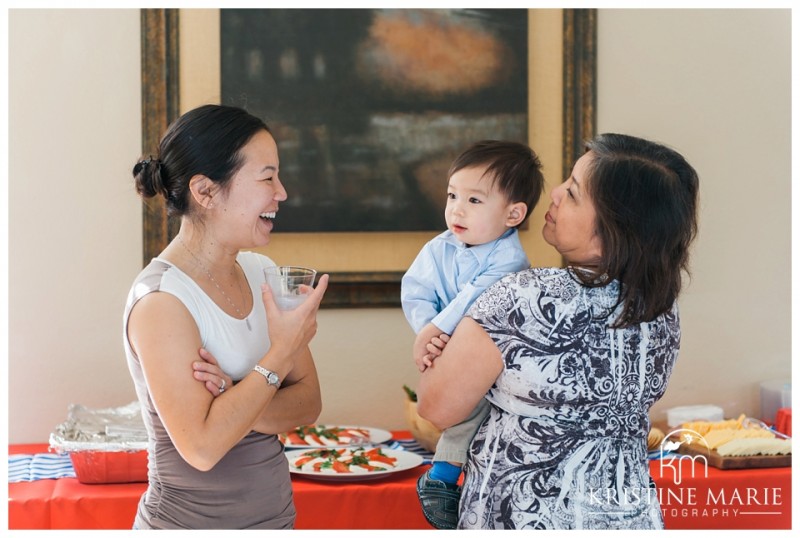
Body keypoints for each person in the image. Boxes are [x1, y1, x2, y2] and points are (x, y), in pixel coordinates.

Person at [416, 133, 699, 529]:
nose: (554, 193)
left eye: (574, 192)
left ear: (613, 225)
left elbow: (436, 406)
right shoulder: (662, 308)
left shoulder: (522, 296)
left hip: (525, 518)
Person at [125, 104, 329, 529]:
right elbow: (202, 447)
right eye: (267, 177)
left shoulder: (263, 275)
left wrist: (232, 394)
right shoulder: (162, 300)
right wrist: (280, 355)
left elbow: (309, 403)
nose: (282, 192)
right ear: (205, 191)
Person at [401, 140, 545, 529]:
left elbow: (475, 299)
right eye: (452, 195)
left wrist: (439, 329)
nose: (456, 209)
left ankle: (443, 474)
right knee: (461, 405)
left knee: (481, 405)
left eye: (475, 201)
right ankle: (448, 475)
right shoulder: (437, 249)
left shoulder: (509, 259)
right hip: (449, 350)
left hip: (497, 358)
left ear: (513, 213)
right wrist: (427, 333)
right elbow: (416, 290)